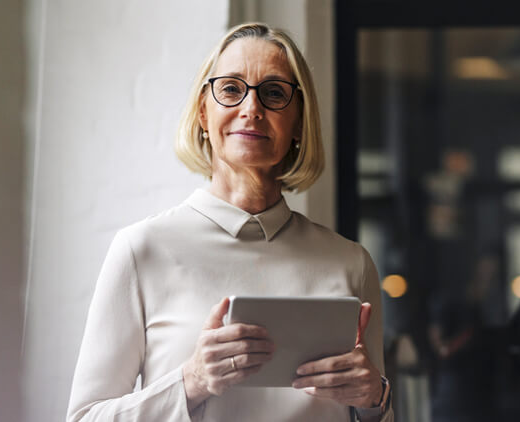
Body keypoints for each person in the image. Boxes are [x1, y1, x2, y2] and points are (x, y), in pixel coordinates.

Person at [67, 23, 393, 422]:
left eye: (274, 93)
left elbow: (373, 415)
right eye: (231, 89)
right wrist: (191, 381)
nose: (251, 108)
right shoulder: (141, 250)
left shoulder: (351, 263)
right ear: (204, 112)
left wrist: (374, 399)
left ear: (298, 122)